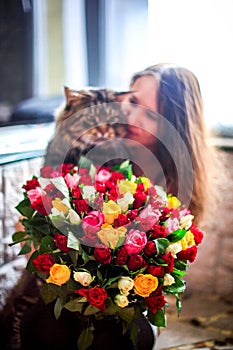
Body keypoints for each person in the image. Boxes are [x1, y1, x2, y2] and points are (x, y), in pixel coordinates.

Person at [123, 63, 214, 223]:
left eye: (151, 116)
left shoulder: (181, 187)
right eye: (133, 102)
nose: (132, 120)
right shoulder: (94, 156)